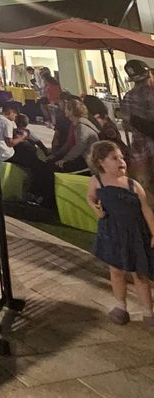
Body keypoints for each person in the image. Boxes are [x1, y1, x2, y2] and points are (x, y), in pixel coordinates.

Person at [87, 140, 154, 328]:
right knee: (116, 271)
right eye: (114, 158)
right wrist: (95, 207)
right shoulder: (97, 181)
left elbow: (146, 209)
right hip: (112, 234)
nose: (121, 161)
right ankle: (120, 307)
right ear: (101, 162)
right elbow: (90, 196)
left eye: (122, 157)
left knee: (140, 274)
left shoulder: (133, 185)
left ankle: (148, 312)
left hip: (134, 235)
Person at [121, 59, 154, 202]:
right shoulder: (151, 94)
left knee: (145, 189)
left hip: (139, 148)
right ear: (149, 75)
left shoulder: (128, 96)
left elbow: (126, 124)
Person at [47, 97, 98, 172]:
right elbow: (69, 144)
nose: (64, 110)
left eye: (66, 109)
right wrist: (56, 155)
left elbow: (80, 145)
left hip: (88, 159)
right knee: (51, 164)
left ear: (72, 111)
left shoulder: (81, 125)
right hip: (84, 156)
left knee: (56, 167)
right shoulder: (76, 124)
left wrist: (65, 159)